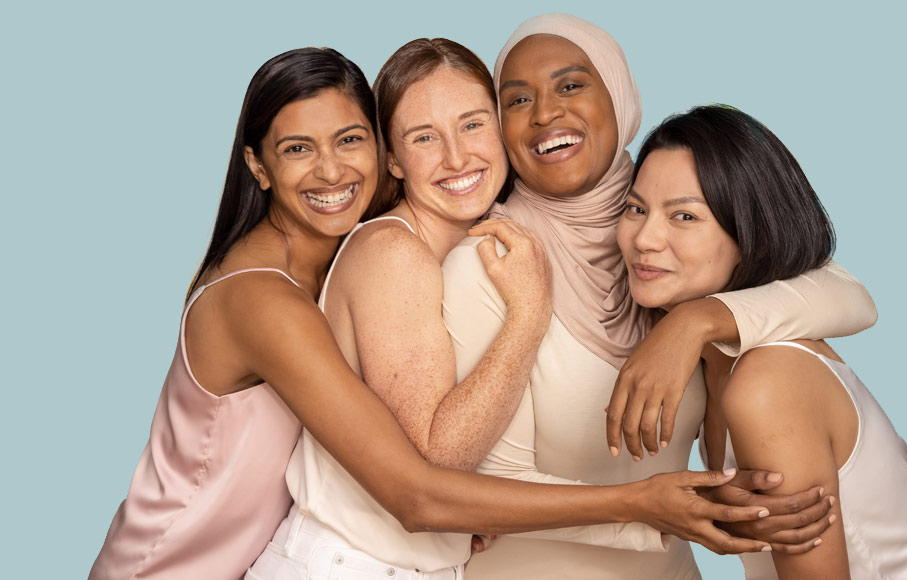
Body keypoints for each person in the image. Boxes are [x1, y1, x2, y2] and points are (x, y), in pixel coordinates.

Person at [93, 47, 802, 580]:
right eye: (297, 149)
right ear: (258, 167)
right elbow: (419, 486)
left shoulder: (367, 250)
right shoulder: (282, 290)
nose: (334, 172)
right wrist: (641, 506)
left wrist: (697, 318)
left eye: (349, 141)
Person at [446, 14, 878, 579]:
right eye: (517, 99)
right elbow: (488, 489)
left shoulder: (664, 242)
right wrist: (674, 513)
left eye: (571, 85)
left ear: (621, 97)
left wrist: (693, 324)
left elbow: (847, 295)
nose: (545, 113)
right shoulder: (491, 261)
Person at [621, 105, 907, 580]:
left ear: (751, 236)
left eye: (684, 216)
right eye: (635, 209)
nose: (644, 238)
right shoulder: (714, 370)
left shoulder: (768, 381)